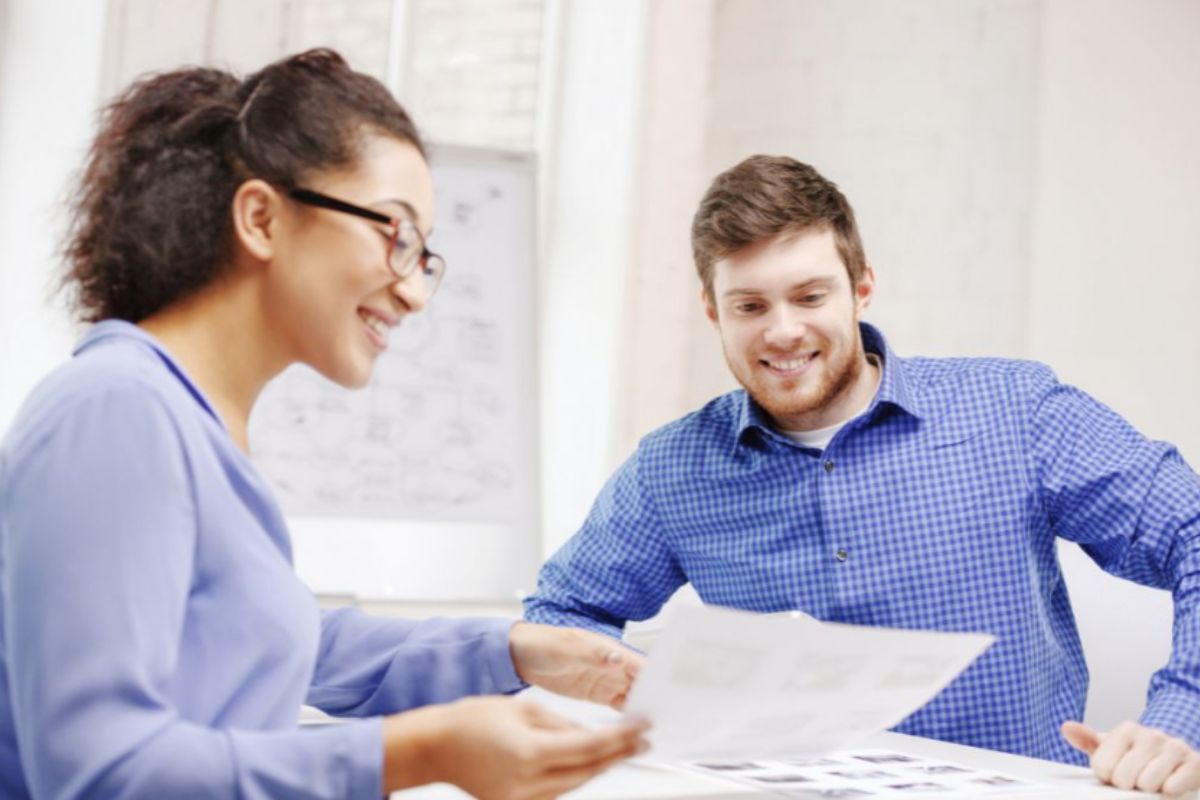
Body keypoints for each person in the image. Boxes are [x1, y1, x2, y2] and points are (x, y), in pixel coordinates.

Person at [0, 49, 648, 800]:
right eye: (395, 234)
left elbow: (283, 643)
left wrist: (513, 650)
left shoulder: (187, 420)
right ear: (262, 218)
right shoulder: (116, 414)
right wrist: (415, 752)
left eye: (424, 255)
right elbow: (101, 771)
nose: (414, 292)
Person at [524, 155, 1200, 795]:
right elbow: (563, 618)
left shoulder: (1015, 411)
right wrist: (668, 698)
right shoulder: (671, 469)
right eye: (750, 306)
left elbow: (1191, 530)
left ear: (861, 289)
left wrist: (1182, 714)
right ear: (713, 311)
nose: (782, 331)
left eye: (810, 295)